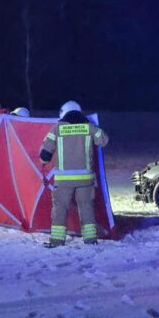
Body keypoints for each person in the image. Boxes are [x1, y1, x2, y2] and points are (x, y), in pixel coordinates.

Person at [39, 101, 109, 247]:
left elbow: (45, 154)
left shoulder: (57, 128)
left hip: (64, 181)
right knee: (86, 207)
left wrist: (43, 159)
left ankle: (57, 241)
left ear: (63, 113)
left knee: (60, 209)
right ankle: (90, 240)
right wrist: (92, 125)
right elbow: (103, 140)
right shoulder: (88, 127)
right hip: (85, 179)